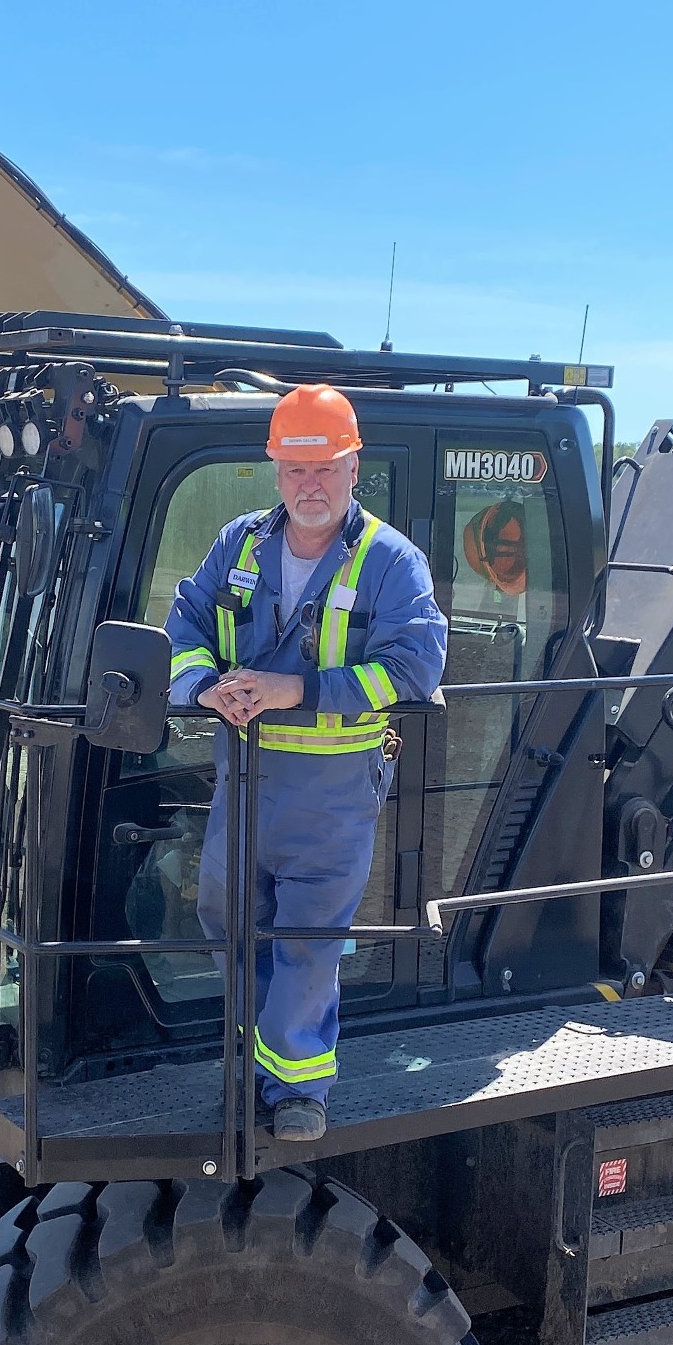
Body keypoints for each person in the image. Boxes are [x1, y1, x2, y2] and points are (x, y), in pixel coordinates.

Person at [164, 385, 447, 1142]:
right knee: (229, 923)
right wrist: (200, 686)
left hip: (330, 794)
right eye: (295, 471)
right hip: (244, 784)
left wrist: (301, 689)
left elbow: (414, 668)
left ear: (355, 468)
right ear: (276, 471)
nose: (309, 487)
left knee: (308, 939)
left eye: (325, 469)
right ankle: (258, 1062)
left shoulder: (390, 561)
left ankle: (298, 1090)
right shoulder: (241, 544)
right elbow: (186, 621)